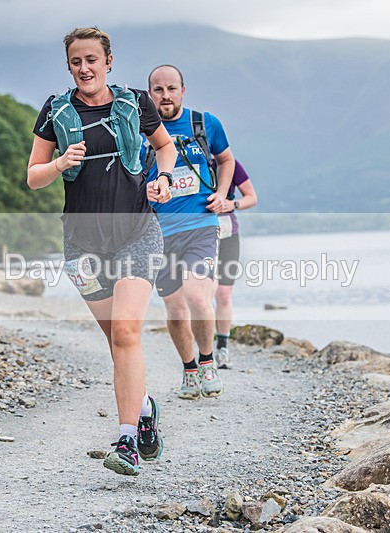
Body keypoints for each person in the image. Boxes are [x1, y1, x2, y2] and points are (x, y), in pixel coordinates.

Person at [27, 28, 176, 476]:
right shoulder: (56, 112)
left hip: (137, 232)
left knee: (128, 332)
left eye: (93, 59)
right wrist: (59, 164)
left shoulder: (135, 103)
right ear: (69, 66)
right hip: (82, 244)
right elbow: (34, 176)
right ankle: (144, 406)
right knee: (117, 340)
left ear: (109, 61)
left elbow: (164, 147)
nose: (85, 68)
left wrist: (164, 179)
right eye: (76, 62)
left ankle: (126, 440)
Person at [142, 64, 236, 400]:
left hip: (200, 225)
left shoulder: (205, 124)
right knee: (175, 309)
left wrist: (223, 195)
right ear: (149, 94)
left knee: (198, 296)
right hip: (158, 233)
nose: (165, 96)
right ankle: (189, 369)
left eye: (171, 88)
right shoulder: (141, 132)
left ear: (183, 90)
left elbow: (227, 161)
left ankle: (208, 360)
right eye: (158, 90)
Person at [213, 159, 257, 369]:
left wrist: (233, 204)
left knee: (223, 294)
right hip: (197, 235)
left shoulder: (230, 164)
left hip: (228, 234)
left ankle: (222, 347)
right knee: (202, 292)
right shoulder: (191, 159)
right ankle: (201, 351)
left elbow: (251, 197)